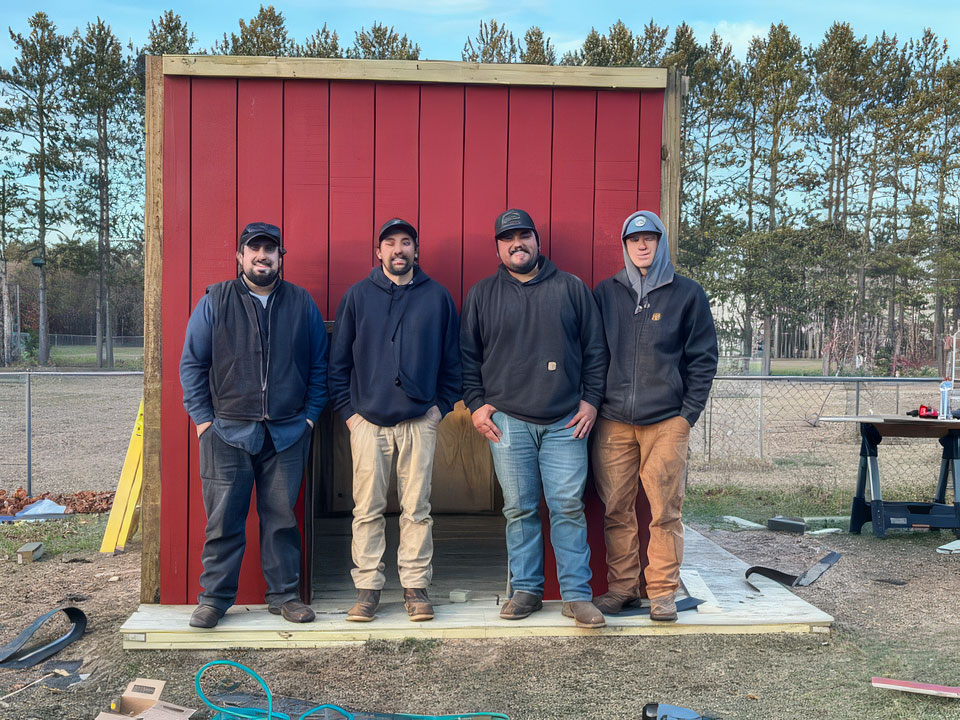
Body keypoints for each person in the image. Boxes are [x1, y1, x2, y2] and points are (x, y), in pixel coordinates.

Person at [460, 208, 609, 629]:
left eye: (524, 235)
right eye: (507, 238)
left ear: (537, 242)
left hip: (565, 421)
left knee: (567, 507)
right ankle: (526, 590)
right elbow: (467, 358)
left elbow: (596, 351)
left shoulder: (571, 289)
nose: (517, 244)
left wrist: (591, 401)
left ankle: (576, 596)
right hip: (507, 421)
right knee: (519, 509)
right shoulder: (482, 295)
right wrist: (476, 404)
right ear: (497, 247)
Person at [180, 221, 328, 628]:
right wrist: (203, 421)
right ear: (240, 256)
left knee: (281, 520)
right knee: (223, 521)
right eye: (254, 250)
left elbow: (320, 365)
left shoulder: (301, 302)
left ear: (281, 256)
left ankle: (285, 597)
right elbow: (192, 364)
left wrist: (309, 418)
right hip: (226, 432)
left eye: (270, 250)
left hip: (286, 433)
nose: (262, 257)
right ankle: (214, 599)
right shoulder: (215, 300)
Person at [328, 218, 462, 623]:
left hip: (419, 420)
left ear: (416, 251)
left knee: (417, 508)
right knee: (367, 509)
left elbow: (453, 362)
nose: (398, 249)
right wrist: (350, 415)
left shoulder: (437, 297)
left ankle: (415, 587)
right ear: (378, 252)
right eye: (390, 243)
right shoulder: (357, 296)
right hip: (368, 423)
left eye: (406, 242)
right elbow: (338, 363)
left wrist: (439, 408)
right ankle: (368, 590)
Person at [591, 210, 718, 621]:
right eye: (634, 239)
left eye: (650, 238)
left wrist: (686, 416)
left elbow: (704, 359)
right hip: (613, 421)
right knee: (616, 508)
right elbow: (593, 353)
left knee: (664, 511)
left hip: (666, 421)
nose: (642, 245)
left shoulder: (688, 294)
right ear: (625, 246)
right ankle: (623, 588)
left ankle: (662, 594)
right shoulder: (606, 293)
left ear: (661, 243)